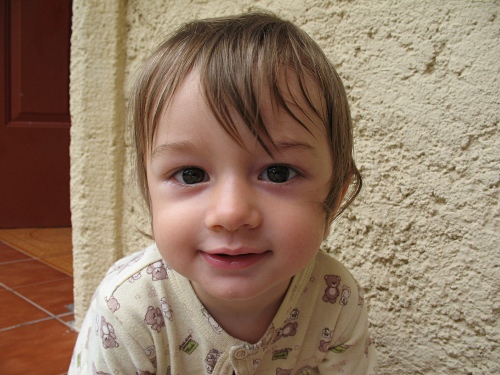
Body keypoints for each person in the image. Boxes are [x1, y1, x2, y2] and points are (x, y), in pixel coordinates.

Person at [69, 11, 377, 375]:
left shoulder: (336, 299)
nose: (230, 213)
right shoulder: (128, 306)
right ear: (150, 195)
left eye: (277, 173)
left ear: (334, 199)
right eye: (191, 174)